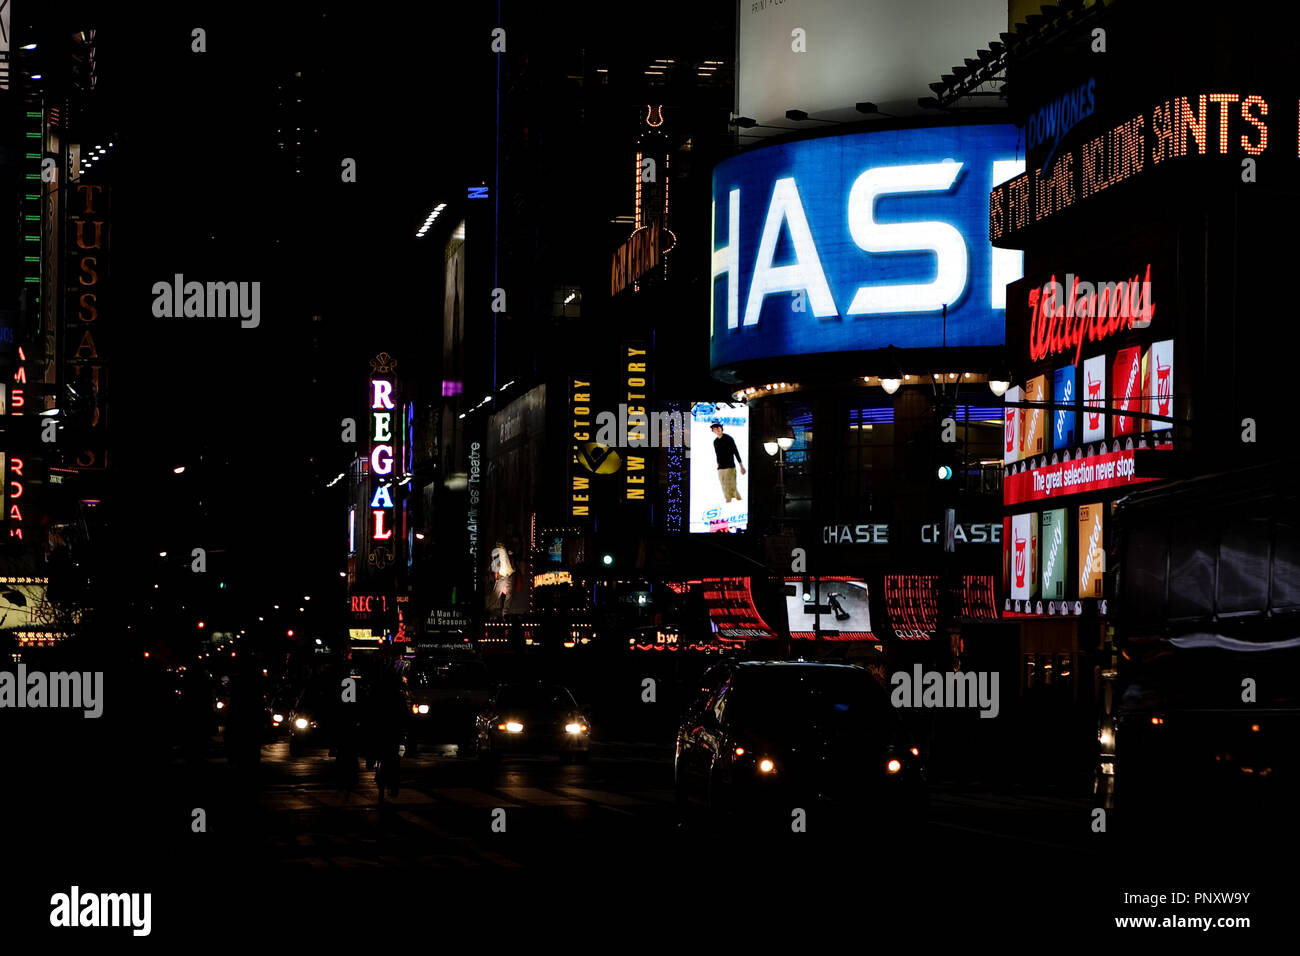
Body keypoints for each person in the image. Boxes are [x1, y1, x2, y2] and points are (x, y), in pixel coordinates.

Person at [710, 420, 745, 503]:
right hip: (721, 467)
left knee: (732, 485)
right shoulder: (715, 442)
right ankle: (728, 500)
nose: (717, 430)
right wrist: (718, 464)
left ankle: (737, 499)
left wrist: (741, 466)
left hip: (730, 466)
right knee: (723, 485)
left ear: (721, 428)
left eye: (718, 428)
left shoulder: (728, 438)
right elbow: (717, 454)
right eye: (714, 428)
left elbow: (735, 452)